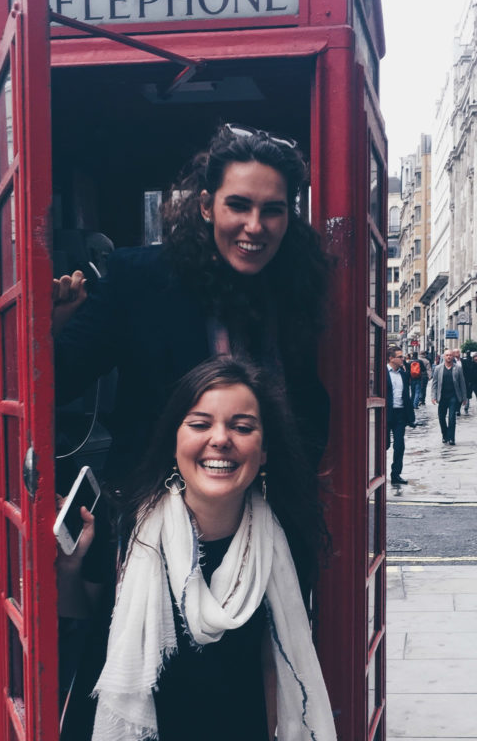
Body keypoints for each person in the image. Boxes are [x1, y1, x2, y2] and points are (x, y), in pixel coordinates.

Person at [52, 125, 331, 738]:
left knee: (245, 697)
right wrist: (47, 324)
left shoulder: (293, 290)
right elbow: (56, 379)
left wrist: (290, 482)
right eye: (238, 204)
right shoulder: (135, 278)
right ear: (205, 205)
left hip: (259, 530)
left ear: (291, 217)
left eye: (273, 210)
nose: (255, 226)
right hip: (153, 526)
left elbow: (311, 403)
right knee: (146, 682)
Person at [62, 358, 335, 741]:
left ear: (265, 449)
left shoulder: (283, 539)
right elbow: (83, 618)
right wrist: (70, 568)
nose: (220, 439)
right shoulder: (122, 519)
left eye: (242, 427)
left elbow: (273, 660)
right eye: (200, 424)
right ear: (174, 441)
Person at [385, 346, 415, 492]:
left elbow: (406, 396)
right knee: (383, 445)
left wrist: (411, 417)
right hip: (385, 414)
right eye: (400, 356)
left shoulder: (403, 374)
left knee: (399, 446)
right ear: (391, 358)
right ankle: (378, 473)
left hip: (400, 414)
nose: (403, 359)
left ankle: (396, 474)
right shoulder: (382, 373)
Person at [432, 349, 467, 445]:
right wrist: (433, 396)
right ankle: (445, 435)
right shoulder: (438, 368)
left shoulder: (458, 368)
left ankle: (451, 438)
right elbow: (434, 383)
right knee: (441, 417)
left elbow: (462, 383)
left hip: (453, 396)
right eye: (447, 355)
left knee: (452, 417)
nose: (449, 357)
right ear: (444, 356)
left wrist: (464, 398)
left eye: (450, 355)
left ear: (453, 356)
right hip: (442, 396)